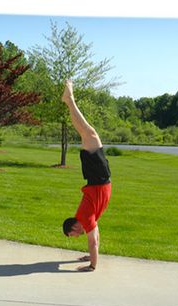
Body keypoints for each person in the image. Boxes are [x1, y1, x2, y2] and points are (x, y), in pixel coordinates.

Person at [61, 80, 112, 272]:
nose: (77, 237)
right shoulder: (87, 219)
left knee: (88, 132)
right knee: (87, 133)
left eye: (73, 236)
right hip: (97, 180)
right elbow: (96, 235)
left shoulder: (84, 217)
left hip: (98, 179)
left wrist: (92, 265)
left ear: (73, 228)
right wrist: (91, 255)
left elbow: (93, 242)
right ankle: (69, 100)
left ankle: (69, 100)